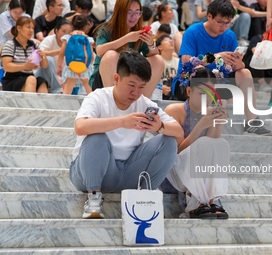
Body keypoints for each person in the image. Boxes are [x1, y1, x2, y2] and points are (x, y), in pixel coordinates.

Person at [70, 52, 183, 219]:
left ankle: (146, 199)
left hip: (129, 173)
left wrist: (159, 126)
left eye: (141, 87)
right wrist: (122, 122)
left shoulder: (144, 103)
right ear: (116, 78)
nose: (136, 92)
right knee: (96, 136)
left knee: (168, 140)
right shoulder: (98, 97)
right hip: (88, 173)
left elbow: (179, 132)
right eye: (131, 85)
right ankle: (94, 198)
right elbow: (80, 127)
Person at [174, 0, 272, 136]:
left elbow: (235, 67)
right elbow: (186, 61)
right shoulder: (193, 31)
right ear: (209, 16)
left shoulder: (229, 35)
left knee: (244, 72)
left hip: (218, 83)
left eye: (228, 23)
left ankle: (252, 122)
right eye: (220, 22)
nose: (224, 26)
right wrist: (214, 57)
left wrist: (238, 64)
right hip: (189, 83)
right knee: (198, 70)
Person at [165, 68, 229, 218]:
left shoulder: (209, 112)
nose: (207, 99)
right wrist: (201, 124)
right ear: (189, 91)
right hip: (174, 172)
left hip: (198, 171)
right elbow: (176, 151)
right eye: (202, 94)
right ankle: (197, 203)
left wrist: (218, 123)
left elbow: (213, 147)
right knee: (203, 144)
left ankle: (212, 200)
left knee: (221, 144)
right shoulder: (174, 110)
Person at [90, 0, 164, 99]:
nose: (134, 16)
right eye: (129, 12)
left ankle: (141, 101)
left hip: (131, 79)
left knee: (158, 59)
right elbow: (99, 51)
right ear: (120, 12)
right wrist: (127, 38)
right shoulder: (106, 29)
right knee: (111, 55)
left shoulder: (139, 31)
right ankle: (113, 101)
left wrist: (151, 43)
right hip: (103, 82)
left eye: (137, 12)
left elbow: (154, 54)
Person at [1, 16, 49, 93]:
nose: (31, 31)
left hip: (28, 77)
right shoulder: (10, 45)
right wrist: (24, 66)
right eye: (28, 27)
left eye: (33, 28)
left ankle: (40, 105)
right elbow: (6, 67)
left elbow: (44, 65)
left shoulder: (34, 45)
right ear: (19, 28)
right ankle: (27, 105)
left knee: (41, 82)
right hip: (12, 79)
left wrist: (44, 57)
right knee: (31, 79)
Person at [57, 15, 94, 95]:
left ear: (72, 26)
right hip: (85, 67)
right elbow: (91, 55)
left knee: (67, 91)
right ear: (86, 27)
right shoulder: (88, 38)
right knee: (89, 91)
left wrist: (59, 65)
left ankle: (64, 106)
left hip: (71, 67)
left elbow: (61, 53)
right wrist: (90, 66)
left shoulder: (68, 37)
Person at [36, 18, 72, 93]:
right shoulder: (49, 40)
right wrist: (60, 51)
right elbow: (39, 53)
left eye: (69, 32)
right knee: (48, 59)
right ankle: (57, 89)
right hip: (43, 73)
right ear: (56, 31)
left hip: (62, 76)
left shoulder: (73, 43)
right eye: (64, 31)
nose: (66, 35)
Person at [156, 34, 178, 99]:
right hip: (159, 94)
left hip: (175, 94)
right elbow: (148, 82)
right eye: (166, 40)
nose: (171, 42)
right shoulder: (156, 62)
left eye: (172, 40)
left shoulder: (179, 61)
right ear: (159, 47)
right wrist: (160, 88)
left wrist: (177, 78)